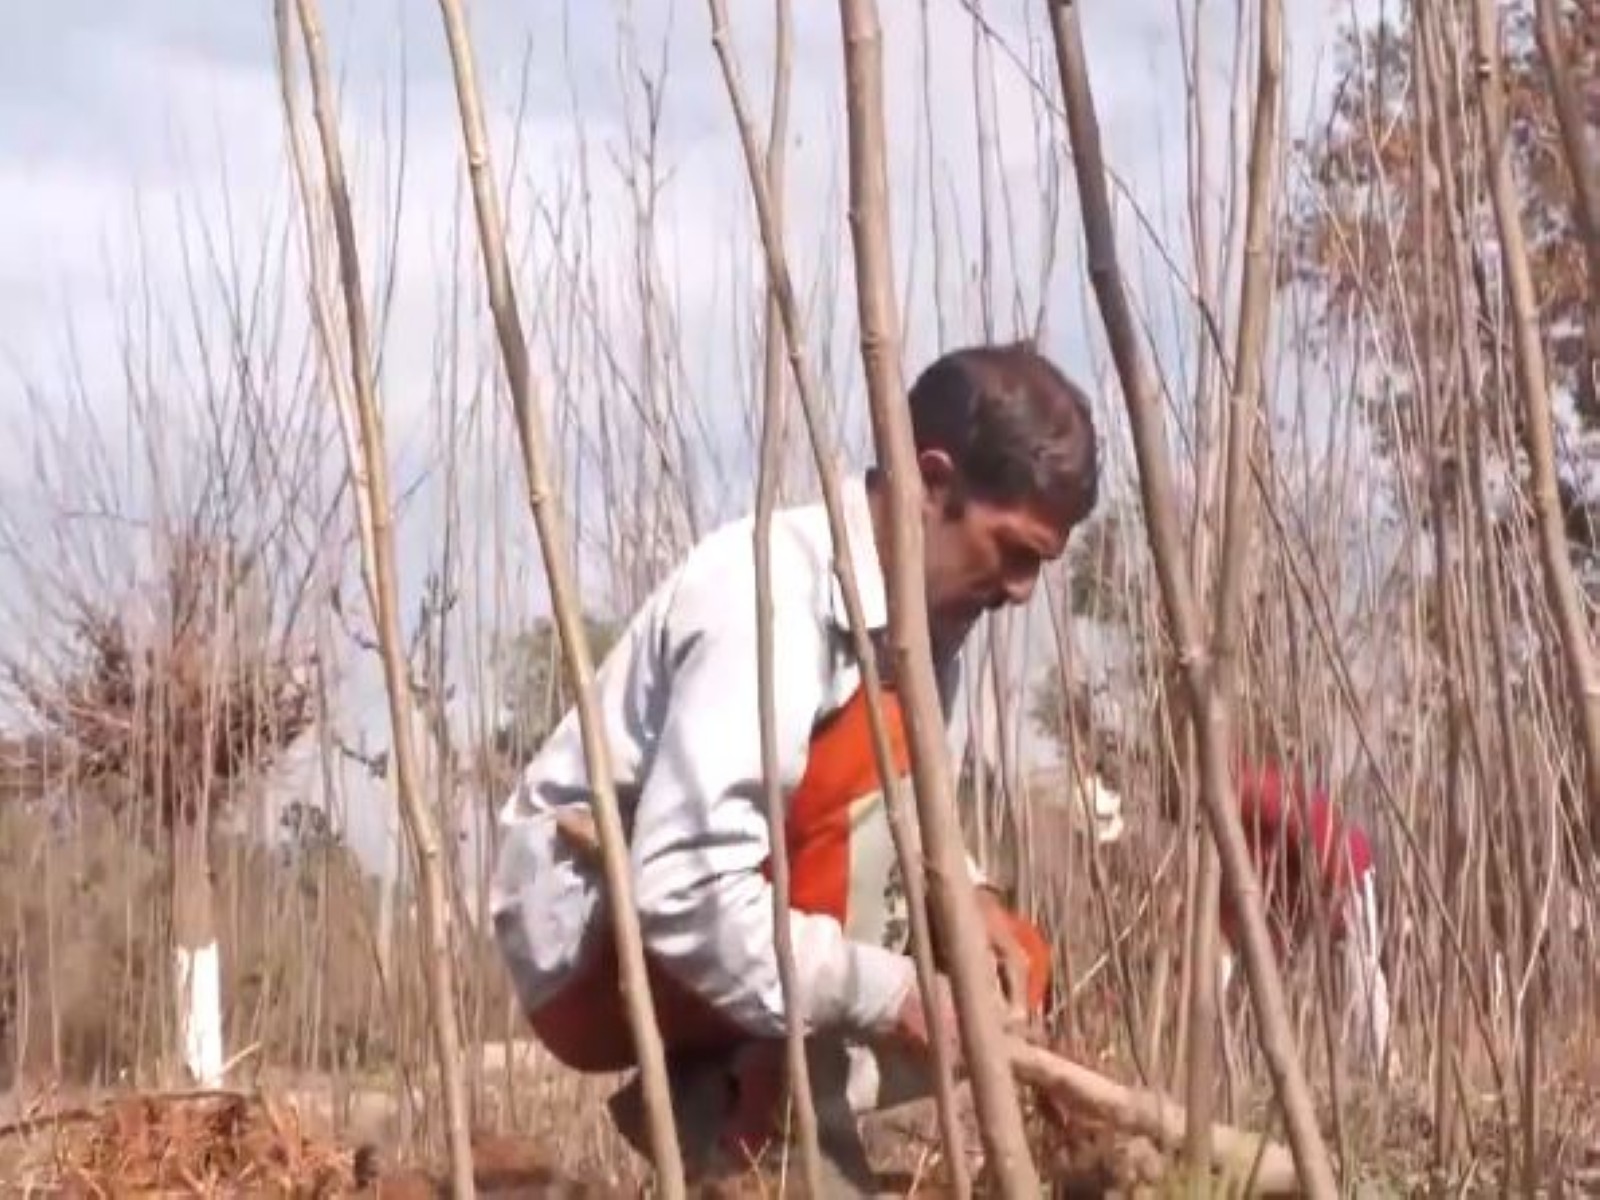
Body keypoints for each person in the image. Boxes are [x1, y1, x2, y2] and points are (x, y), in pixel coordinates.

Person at [489, 342, 1100, 1187]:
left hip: (752, 910)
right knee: (882, 950)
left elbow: (900, 813)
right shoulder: (769, 595)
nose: (1027, 589)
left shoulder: (927, 619)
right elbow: (690, 886)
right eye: (1017, 551)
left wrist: (968, 893)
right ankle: (779, 1132)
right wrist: (896, 996)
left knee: (1014, 966)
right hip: (595, 942)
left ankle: (740, 1087)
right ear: (932, 482)